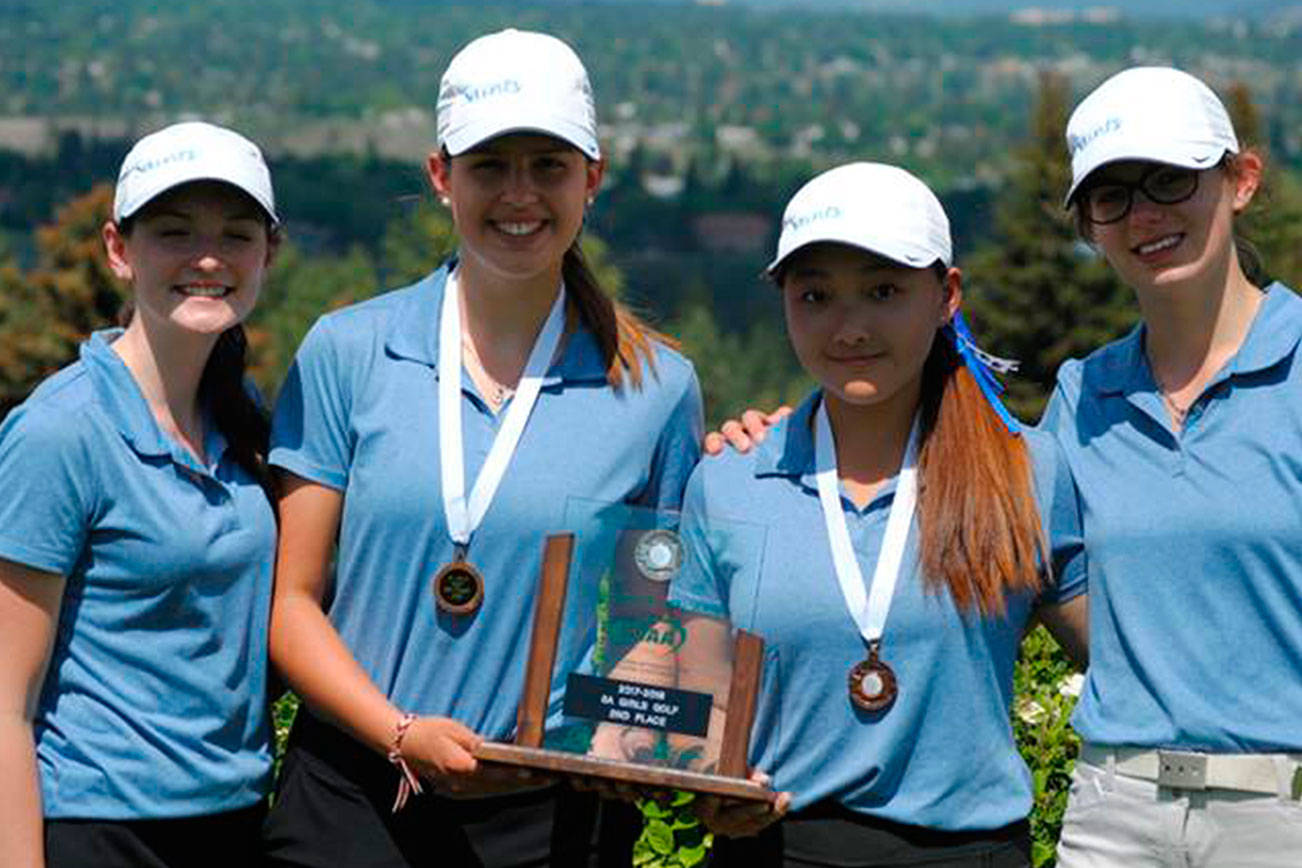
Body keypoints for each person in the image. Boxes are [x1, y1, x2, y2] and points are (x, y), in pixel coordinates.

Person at [260, 28, 703, 867]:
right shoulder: (347, 351)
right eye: (490, 166)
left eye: (549, 166)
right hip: (352, 803)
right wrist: (398, 733)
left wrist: (631, 728)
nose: (519, 195)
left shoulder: (658, 389)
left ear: (593, 179)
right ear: (441, 176)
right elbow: (291, 605)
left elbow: (654, 622)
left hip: (552, 820)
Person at [673, 162, 1088, 868]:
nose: (850, 326)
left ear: (945, 296)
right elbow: (693, 694)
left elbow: (1128, 664)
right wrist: (704, 770)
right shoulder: (729, 480)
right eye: (815, 296)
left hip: (967, 855)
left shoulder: (1026, 471)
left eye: (884, 291)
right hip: (771, 849)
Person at [0, 121, 281, 868]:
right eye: (174, 232)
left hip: (235, 822)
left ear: (268, 254)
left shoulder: (242, 417)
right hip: (102, 830)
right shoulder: (60, 433)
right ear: (119, 250)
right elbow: (4, 705)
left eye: (236, 234)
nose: (208, 257)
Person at [1047, 66, 1302, 867]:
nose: (1144, 213)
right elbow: (1038, 562)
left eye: (1170, 179)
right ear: (1090, 226)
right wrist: (791, 437)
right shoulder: (1081, 394)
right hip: (1112, 813)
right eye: (1111, 194)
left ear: (1242, 180)